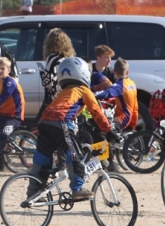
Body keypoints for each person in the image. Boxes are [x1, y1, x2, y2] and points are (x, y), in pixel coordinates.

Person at [30, 57, 119, 200]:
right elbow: (97, 112)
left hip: (44, 122)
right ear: (82, 72)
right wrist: (109, 131)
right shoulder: (83, 90)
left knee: (42, 157)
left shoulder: (63, 91)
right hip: (61, 121)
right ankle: (77, 189)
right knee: (75, 153)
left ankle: (34, 192)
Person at [38, 28, 75, 118]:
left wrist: (42, 73)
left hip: (53, 99)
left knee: (40, 123)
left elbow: (47, 82)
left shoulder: (52, 58)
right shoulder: (69, 59)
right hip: (67, 95)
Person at [95, 59, 139, 132]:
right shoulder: (132, 83)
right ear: (127, 72)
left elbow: (106, 93)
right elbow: (125, 99)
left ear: (114, 72)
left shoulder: (119, 85)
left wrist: (91, 94)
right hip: (133, 118)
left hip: (122, 119)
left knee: (103, 131)